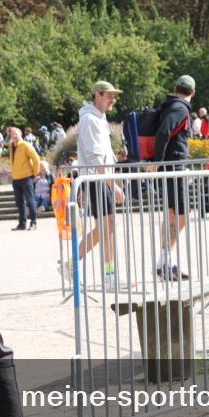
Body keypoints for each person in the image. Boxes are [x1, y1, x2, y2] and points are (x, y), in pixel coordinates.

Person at [76, 81, 125, 290]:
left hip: (100, 178)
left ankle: (74, 263)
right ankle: (108, 275)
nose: (113, 100)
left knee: (106, 227)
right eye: (109, 96)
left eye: (114, 96)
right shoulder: (90, 119)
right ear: (97, 95)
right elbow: (94, 157)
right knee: (106, 227)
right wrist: (112, 184)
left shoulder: (98, 118)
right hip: (96, 179)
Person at [153, 75, 195, 281]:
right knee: (180, 217)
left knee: (172, 216)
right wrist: (158, 161)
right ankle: (164, 262)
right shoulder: (180, 109)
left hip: (172, 168)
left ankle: (165, 263)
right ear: (193, 93)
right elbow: (164, 132)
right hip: (174, 168)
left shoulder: (171, 106)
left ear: (175, 88)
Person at [8, 127, 40, 231]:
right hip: (16, 178)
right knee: (19, 203)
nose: (14, 136)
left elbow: (36, 158)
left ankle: (33, 223)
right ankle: (22, 224)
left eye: (16, 134)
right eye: (12, 134)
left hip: (26, 178)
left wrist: (35, 173)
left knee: (30, 201)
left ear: (20, 135)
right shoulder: (11, 146)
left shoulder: (26, 145)